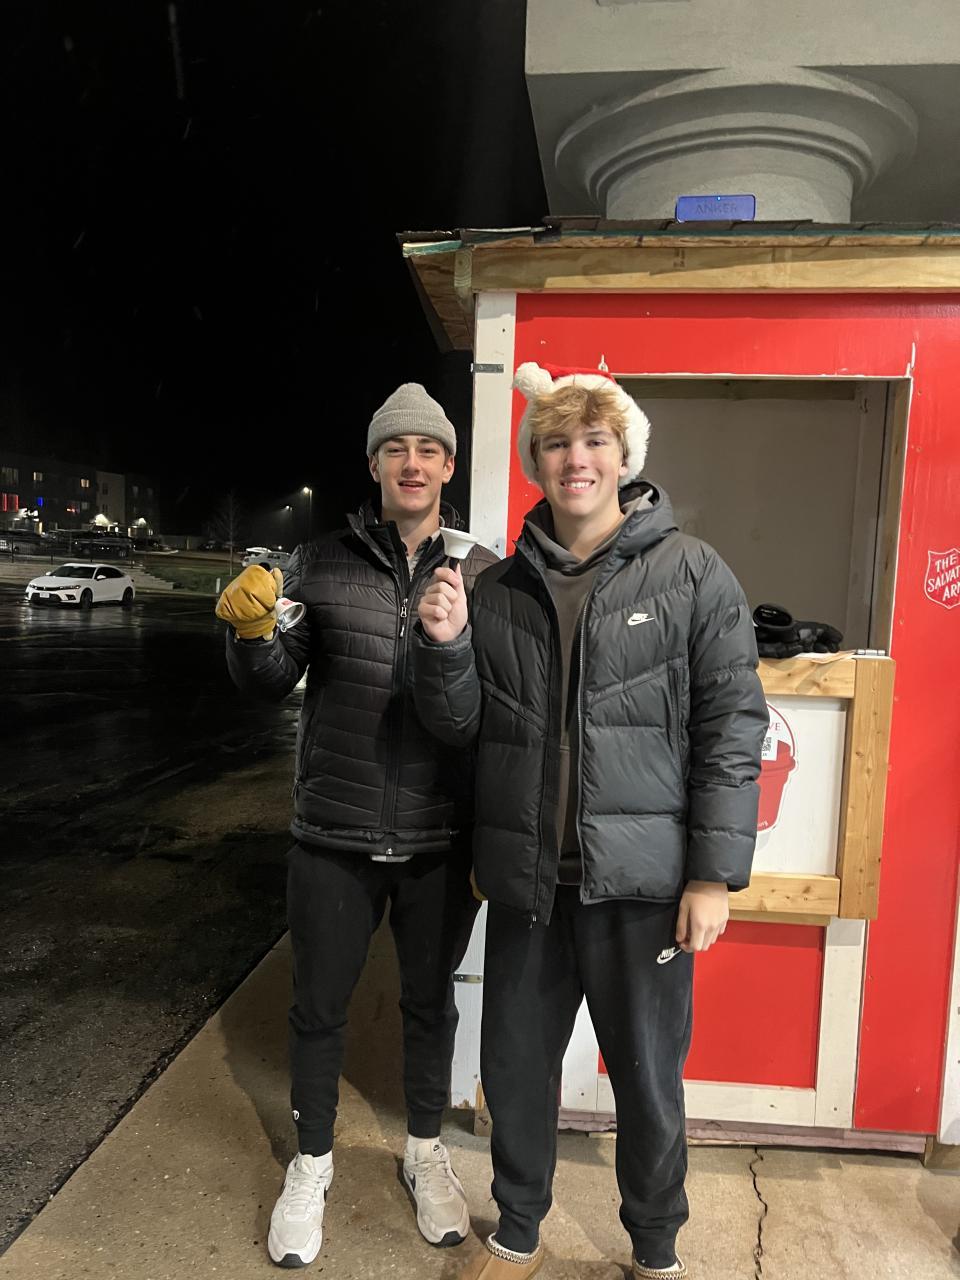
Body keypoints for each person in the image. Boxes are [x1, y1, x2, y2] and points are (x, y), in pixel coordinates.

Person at [413, 363, 768, 1280]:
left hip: (643, 890)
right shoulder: (499, 588)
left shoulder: (693, 573)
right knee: (515, 1069)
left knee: (647, 1080)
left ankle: (655, 1248)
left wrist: (710, 876)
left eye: (595, 441)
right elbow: (463, 730)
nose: (577, 459)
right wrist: (446, 650)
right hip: (530, 885)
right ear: (536, 461)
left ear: (623, 456)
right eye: (557, 443)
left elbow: (732, 728)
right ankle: (518, 1230)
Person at [215, 384, 497, 1268]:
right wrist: (251, 635)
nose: (412, 463)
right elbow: (271, 681)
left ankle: (424, 1150)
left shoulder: (482, 573)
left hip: (437, 839)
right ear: (374, 465)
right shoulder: (319, 562)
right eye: (395, 449)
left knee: (429, 1005)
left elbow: (481, 717)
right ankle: (312, 1163)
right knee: (317, 1009)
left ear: (448, 467)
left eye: (428, 449)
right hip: (333, 835)